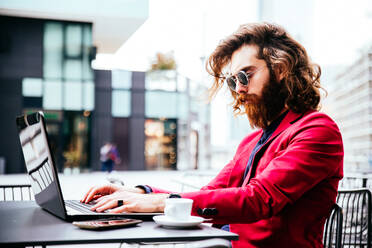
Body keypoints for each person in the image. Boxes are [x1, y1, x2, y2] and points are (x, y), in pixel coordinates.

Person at [81, 23, 343, 248]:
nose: (239, 88)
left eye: (245, 75)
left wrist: (155, 201)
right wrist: (138, 191)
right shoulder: (251, 142)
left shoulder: (318, 130)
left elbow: (258, 199)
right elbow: (209, 194)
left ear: (282, 68)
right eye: (233, 81)